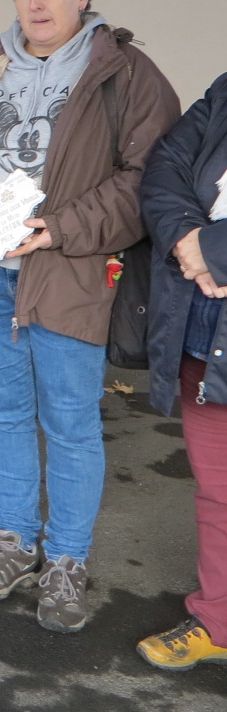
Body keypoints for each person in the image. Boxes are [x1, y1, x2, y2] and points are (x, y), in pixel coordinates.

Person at [0, 0, 178, 633]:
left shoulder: (126, 74)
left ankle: (65, 559)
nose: (35, 2)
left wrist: (57, 229)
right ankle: (13, 542)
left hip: (68, 273)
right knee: (2, 412)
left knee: (68, 423)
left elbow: (148, 180)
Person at [137, 71, 227, 670]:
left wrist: (216, 251)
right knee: (218, 491)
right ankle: (218, 623)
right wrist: (190, 241)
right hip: (207, 325)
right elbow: (164, 167)